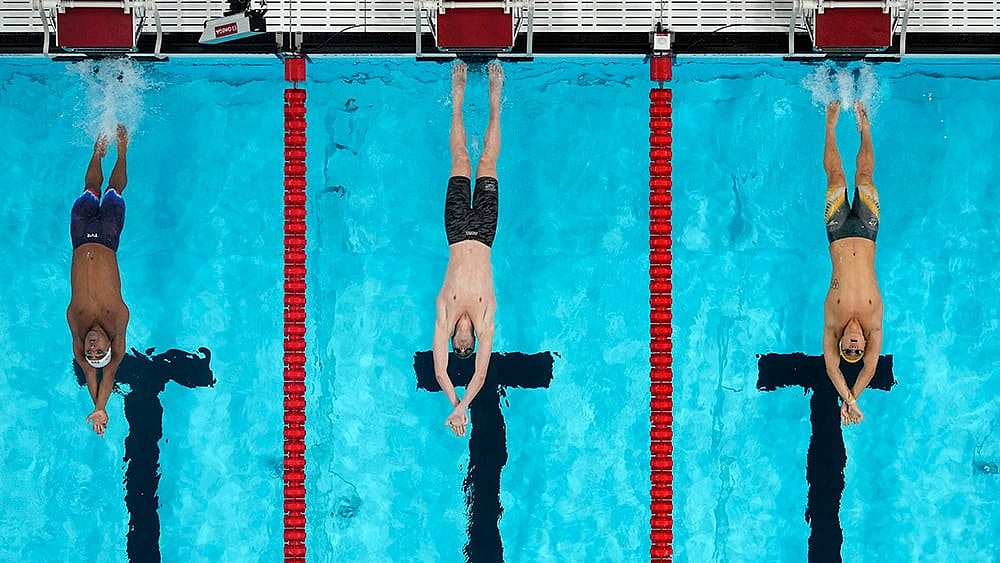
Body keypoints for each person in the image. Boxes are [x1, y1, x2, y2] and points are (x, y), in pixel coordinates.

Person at [432, 62, 503, 437]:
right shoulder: (485, 315)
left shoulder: (445, 312)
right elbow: (480, 374)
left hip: (457, 231)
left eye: (455, 348)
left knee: (461, 160)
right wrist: (463, 406)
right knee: (488, 162)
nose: (462, 346)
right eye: (466, 347)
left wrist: (454, 403)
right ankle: (494, 100)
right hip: (486, 233)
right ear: (472, 341)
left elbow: (442, 371)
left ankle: (457, 100)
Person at [67, 124, 131, 437]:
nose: (92, 347)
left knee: (90, 187)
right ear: (109, 346)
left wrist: (96, 407)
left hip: (79, 237)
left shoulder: (77, 323)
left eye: (89, 351)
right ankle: (122, 150)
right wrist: (102, 403)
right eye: (98, 350)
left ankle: (96, 152)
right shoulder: (117, 319)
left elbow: (89, 369)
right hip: (108, 237)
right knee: (113, 191)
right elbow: (106, 373)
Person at [822, 101, 883, 426]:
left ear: (843, 344)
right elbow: (871, 367)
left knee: (835, 176)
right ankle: (865, 129)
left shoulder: (833, 322)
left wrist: (846, 397)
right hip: (869, 231)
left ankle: (830, 126)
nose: (856, 346)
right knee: (864, 175)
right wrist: (855, 399)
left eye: (851, 349)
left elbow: (832, 368)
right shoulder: (874, 321)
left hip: (837, 232)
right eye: (860, 349)